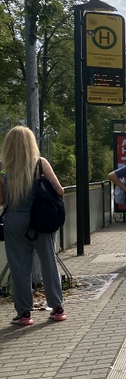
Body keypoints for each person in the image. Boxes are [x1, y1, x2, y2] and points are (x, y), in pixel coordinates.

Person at [0, 126, 66, 326]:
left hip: (14, 221)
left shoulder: (3, 168)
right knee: (49, 263)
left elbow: (2, 200)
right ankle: (57, 308)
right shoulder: (40, 164)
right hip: (41, 220)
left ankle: (24, 314)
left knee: (19, 267)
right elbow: (60, 191)